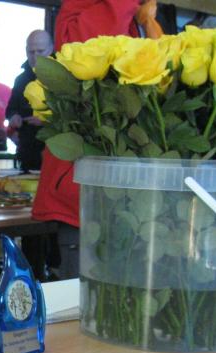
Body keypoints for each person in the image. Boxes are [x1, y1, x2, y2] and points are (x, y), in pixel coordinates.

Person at [32, 0, 160, 280]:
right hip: (84, 194)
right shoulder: (88, 11)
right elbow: (96, 49)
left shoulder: (135, 15)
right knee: (85, 294)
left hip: (118, 190)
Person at [5, 30, 53, 172]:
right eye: (31, 52)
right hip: (27, 148)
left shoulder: (63, 77)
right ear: (26, 51)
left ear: (51, 49)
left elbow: (72, 116)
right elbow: (10, 109)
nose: (35, 56)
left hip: (53, 150)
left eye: (40, 51)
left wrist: (46, 120)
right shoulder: (21, 80)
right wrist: (13, 117)